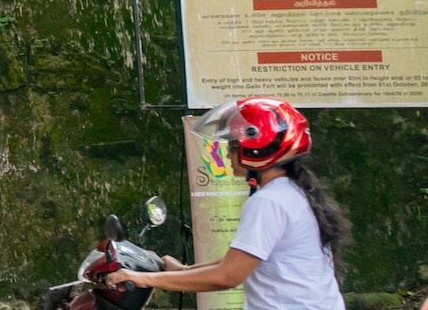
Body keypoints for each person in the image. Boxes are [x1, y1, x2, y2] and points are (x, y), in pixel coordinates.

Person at [108, 97, 348, 309]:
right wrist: (184, 271)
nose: (228, 155)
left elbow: (228, 275)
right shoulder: (291, 192)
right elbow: (237, 261)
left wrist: (145, 279)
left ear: (257, 150)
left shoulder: (270, 201)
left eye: (233, 147)